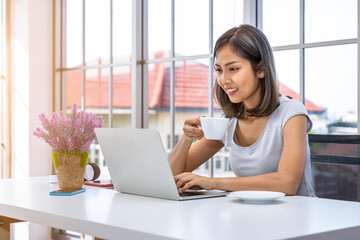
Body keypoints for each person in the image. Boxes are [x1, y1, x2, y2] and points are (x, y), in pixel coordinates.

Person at [168, 24, 315, 197]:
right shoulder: (229, 121)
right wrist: (186, 139)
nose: (224, 80)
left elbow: (287, 183)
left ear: (260, 70)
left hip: (296, 217)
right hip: (249, 216)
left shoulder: (291, 113)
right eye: (219, 70)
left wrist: (212, 182)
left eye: (233, 69)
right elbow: (169, 177)